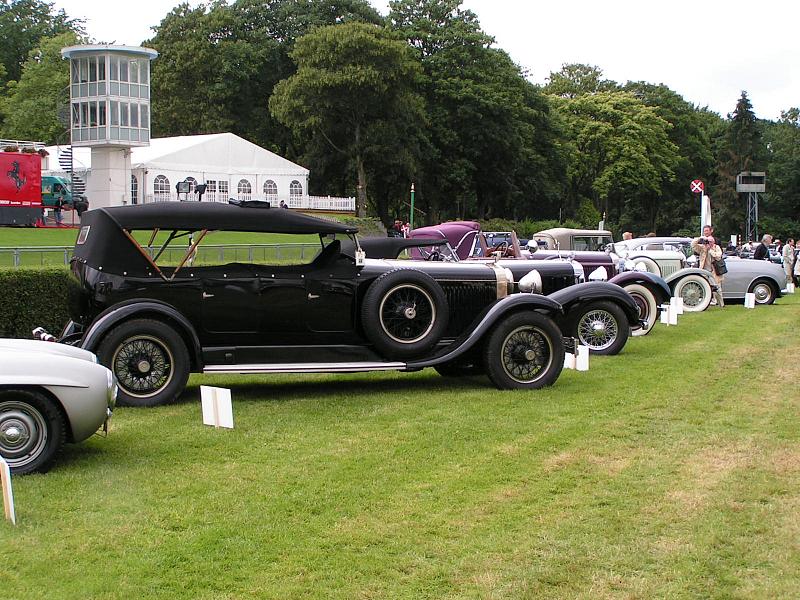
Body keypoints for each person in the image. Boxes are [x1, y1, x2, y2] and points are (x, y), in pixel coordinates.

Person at [691, 224, 724, 307]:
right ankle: (703, 303)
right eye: (707, 242)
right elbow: (693, 244)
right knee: (703, 286)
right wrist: (701, 238)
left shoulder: (716, 247)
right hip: (704, 270)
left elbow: (718, 256)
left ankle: (721, 304)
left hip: (714, 271)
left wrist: (710, 250)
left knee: (717, 287)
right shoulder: (702, 248)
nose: (708, 243)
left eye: (710, 241)